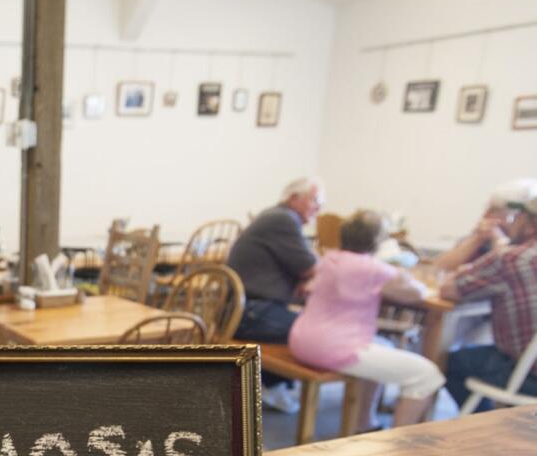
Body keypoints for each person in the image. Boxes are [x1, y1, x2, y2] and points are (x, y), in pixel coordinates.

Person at [289, 211, 445, 429]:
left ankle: (365, 422)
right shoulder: (372, 269)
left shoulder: (329, 259)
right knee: (427, 375)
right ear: (378, 240)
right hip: (332, 347)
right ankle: (398, 442)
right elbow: (417, 293)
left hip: (302, 339)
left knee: (384, 346)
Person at [227, 177, 324, 412]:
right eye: (315, 201)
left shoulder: (274, 216)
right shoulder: (283, 219)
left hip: (243, 309)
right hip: (251, 312)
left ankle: (272, 383)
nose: (318, 208)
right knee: (315, 331)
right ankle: (274, 384)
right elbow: (312, 266)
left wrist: (304, 276)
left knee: (304, 323)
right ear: (294, 198)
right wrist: (306, 275)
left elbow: (304, 267)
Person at [439, 194, 537, 411]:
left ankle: (485, 423)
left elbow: (448, 289)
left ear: (531, 226)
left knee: (451, 361)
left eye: (518, 217)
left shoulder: (513, 257)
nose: (512, 222)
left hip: (528, 375)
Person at [431, 179, 537, 272]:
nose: (485, 215)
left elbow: (509, 266)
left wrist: (498, 240)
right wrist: (476, 239)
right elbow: (438, 269)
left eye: (494, 210)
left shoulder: (528, 252)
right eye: (487, 208)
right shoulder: (483, 238)